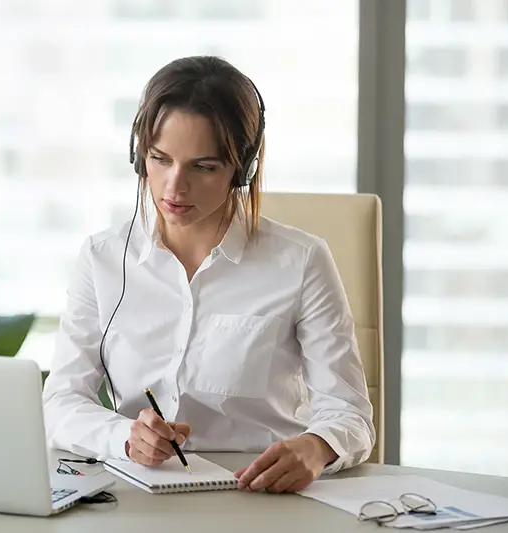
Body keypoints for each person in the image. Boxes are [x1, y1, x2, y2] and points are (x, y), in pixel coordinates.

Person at [42, 55, 375, 493]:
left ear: (242, 169)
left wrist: (314, 447)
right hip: (139, 498)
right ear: (138, 156)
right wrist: (123, 437)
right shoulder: (102, 259)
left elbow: (349, 413)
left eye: (203, 167)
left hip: (259, 498)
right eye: (160, 159)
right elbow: (61, 402)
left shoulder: (303, 261)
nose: (173, 187)